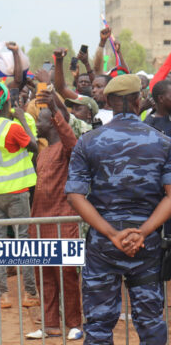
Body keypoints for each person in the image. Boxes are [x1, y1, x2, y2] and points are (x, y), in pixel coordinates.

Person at [65, 74, 171, 344]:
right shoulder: (162, 142)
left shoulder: (88, 142)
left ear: (109, 102)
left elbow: (75, 196)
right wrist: (144, 232)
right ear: (138, 101)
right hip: (145, 246)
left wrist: (112, 234)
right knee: (149, 321)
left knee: (99, 326)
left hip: (104, 245)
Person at [0, 80, 39, 308]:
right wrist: (22, 118)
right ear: (6, 103)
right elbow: (34, 146)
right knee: (23, 242)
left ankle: (3, 295)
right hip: (17, 191)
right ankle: (30, 294)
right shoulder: (12, 127)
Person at [26, 91, 82, 340]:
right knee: (44, 275)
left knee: (67, 275)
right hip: (40, 223)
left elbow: (72, 142)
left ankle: (74, 324)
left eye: (39, 119)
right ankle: (50, 325)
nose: (36, 123)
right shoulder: (44, 151)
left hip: (64, 221)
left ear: (52, 123)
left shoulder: (66, 150)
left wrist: (57, 111)